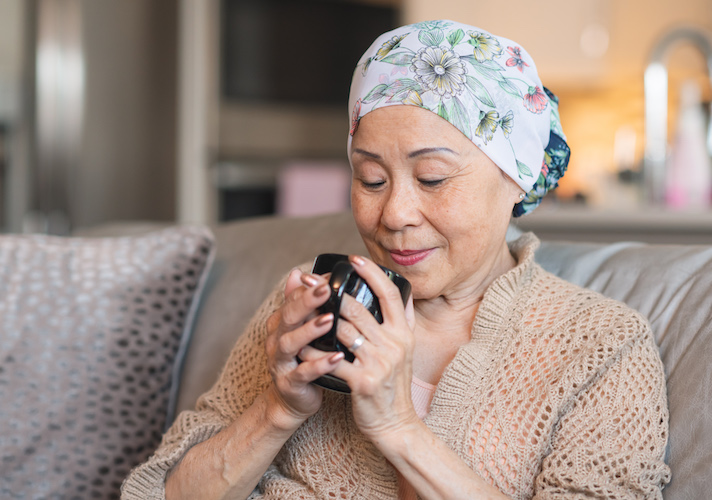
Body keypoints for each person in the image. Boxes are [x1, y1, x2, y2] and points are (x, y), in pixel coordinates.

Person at [122, 20, 670, 499]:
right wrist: (278, 409)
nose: (395, 214)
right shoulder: (319, 301)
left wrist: (399, 427)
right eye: (371, 179)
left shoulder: (601, 347)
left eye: (432, 178)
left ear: (517, 178)